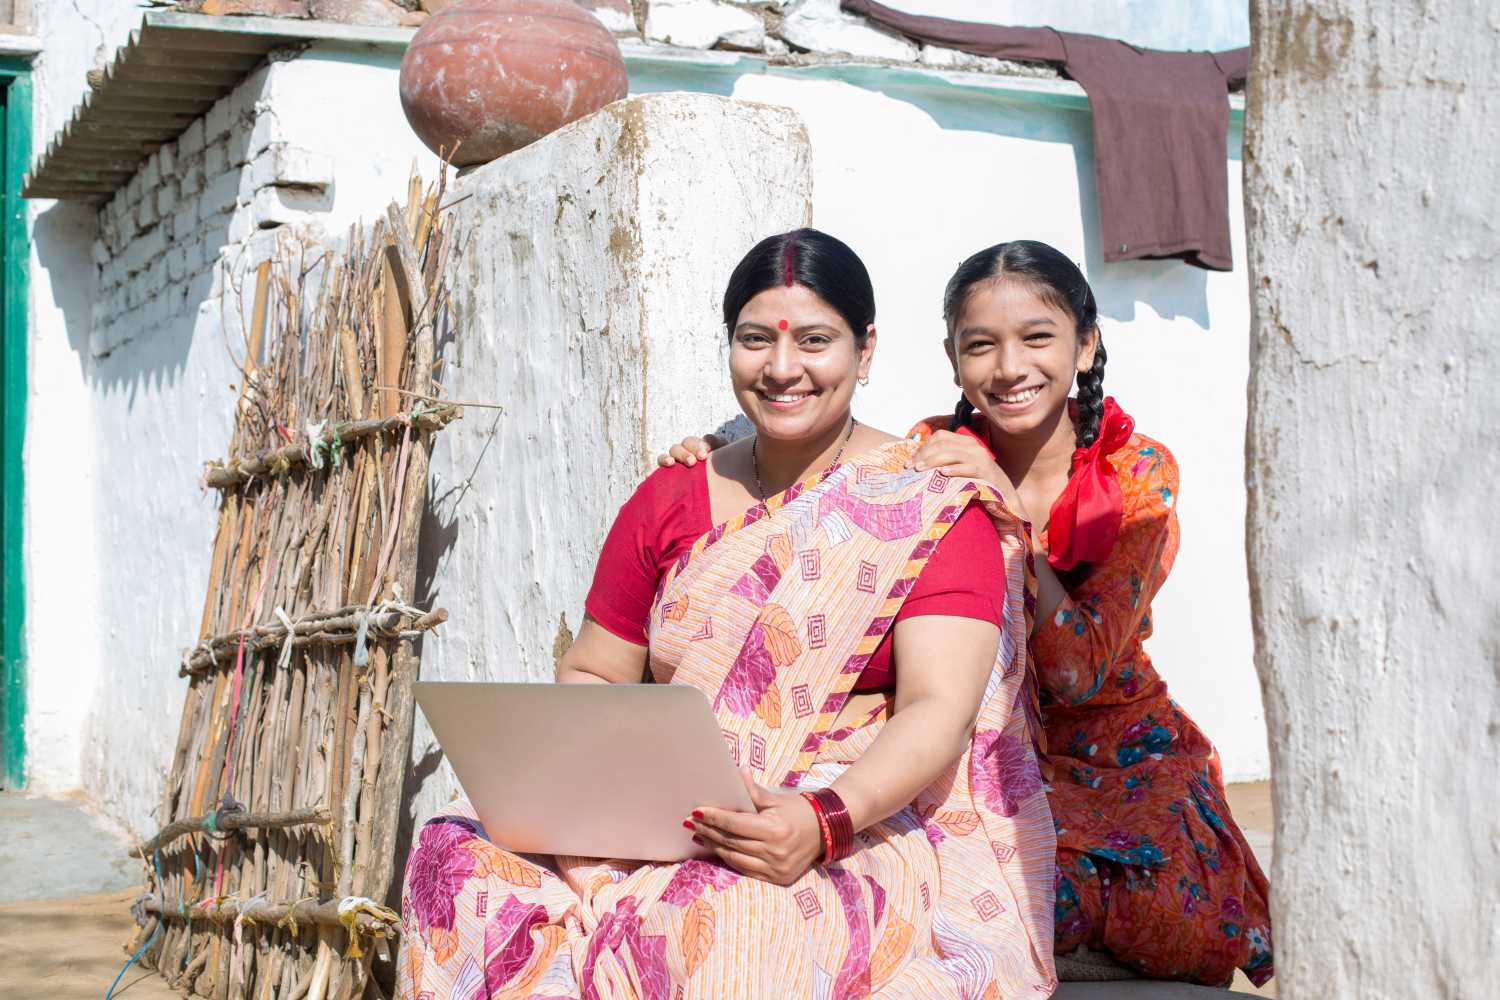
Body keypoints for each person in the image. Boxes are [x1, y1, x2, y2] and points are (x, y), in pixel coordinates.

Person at [398, 229, 1056, 1000]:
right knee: (454, 852)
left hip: (851, 819)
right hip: (653, 803)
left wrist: (821, 822)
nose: (782, 370)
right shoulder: (672, 496)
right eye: (755, 341)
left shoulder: (929, 503)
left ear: (865, 349)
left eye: (815, 341)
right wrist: (576, 788)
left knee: (725, 921)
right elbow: (594, 668)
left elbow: (936, 710)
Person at [658, 240, 1274, 987]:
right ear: (953, 362)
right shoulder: (930, 454)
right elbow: (826, 488)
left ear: (1086, 345)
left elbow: (1077, 673)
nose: (1008, 368)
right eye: (980, 346)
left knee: (1139, 902)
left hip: (1111, 748)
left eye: (1037, 338)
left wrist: (1008, 519)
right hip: (979, 746)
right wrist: (723, 448)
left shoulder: (1138, 472)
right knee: (950, 877)